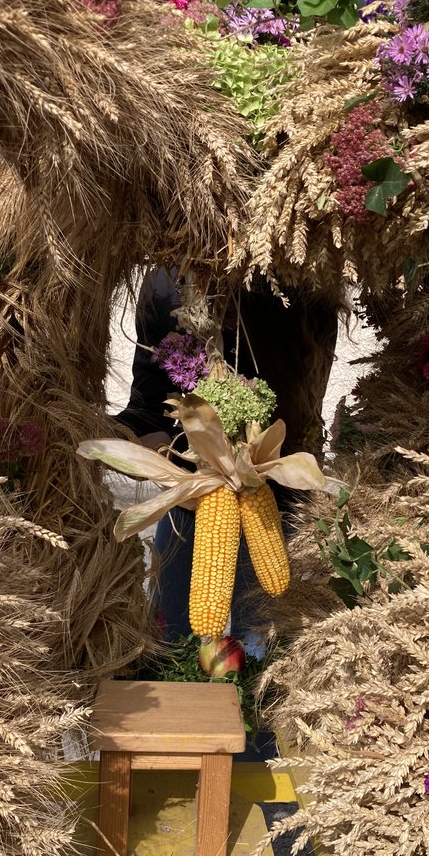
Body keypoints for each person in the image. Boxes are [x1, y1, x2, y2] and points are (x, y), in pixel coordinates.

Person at [114, 266, 339, 647]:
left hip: (273, 507)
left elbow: (304, 401)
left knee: (261, 648)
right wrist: (150, 455)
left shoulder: (300, 285)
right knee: (174, 644)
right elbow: (148, 405)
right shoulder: (163, 287)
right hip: (191, 508)